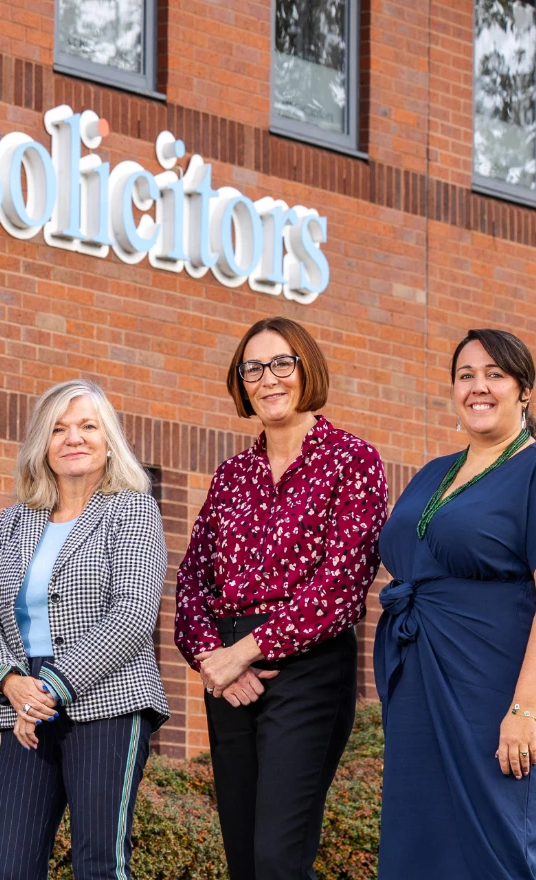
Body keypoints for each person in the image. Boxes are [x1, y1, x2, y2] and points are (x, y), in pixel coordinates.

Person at [373, 329, 536, 879]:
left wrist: (524, 713)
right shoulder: (433, 474)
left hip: (498, 693)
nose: (479, 387)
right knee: (418, 853)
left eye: (495, 374)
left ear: (524, 390)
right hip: (422, 686)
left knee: (495, 856)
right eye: (466, 375)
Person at [174, 316, 390, 880]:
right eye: (252, 368)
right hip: (227, 677)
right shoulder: (230, 476)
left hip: (308, 672)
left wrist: (246, 650)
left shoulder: (352, 461)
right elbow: (193, 581)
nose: (267, 378)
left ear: (306, 368)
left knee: (278, 858)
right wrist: (212, 659)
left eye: (280, 363)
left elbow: (341, 587)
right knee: (245, 861)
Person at [0, 379, 170, 880]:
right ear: (43, 443)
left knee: (99, 865)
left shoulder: (132, 509)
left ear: (109, 440)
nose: (73, 438)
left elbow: (133, 614)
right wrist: (12, 684)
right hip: (25, 706)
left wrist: (50, 688)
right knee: (10, 868)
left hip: (107, 698)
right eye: (58, 428)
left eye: (87, 426)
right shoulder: (15, 520)